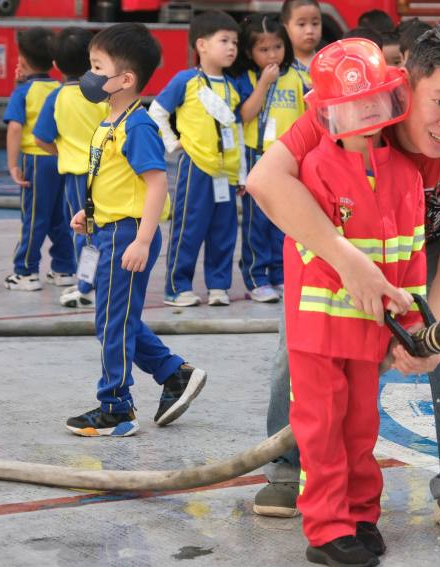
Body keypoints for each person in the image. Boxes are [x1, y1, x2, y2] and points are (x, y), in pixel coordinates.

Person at [249, 25, 440, 548]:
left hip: (429, 251)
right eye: (438, 101)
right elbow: (266, 180)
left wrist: (425, 339)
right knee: (303, 345)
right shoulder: (356, 98)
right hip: (344, 243)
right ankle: (290, 466)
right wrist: (349, 263)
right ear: (405, 84)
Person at [286, 38, 435, 567]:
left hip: (371, 335)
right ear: (328, 111)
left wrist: (413, 326)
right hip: (320, 331)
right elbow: (318, 251)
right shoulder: (315, 170)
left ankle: (360, 514)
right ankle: (326, 528)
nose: (367, 111)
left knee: (361, 427)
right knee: (322, 430)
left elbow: (412, 256)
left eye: (375, 98)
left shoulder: (406, 174)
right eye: (353, 102)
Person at [66, 23, 206, 437]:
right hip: (107, 231)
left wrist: (142, 240)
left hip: (127, 236)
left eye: (97, 66)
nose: (89, 75)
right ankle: (172, 372)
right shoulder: (108, 120)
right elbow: (114, 178)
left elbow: (156, 182)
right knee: (116, 319)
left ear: (125, 79)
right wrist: (89, 213)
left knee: (113, 322)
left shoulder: (138, 125)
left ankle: (116, 407)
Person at [150, 10, 243, 308]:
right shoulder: (186, 80)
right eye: (224, 41)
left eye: (235, 42)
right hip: (196, 168)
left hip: (225, 174)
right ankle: (177, 286)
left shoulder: (231, 87)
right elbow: (157, 111)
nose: (232, 48)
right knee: (189, 229)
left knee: (224, 232)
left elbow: (235, 130)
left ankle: (218, 286)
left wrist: (241, 173)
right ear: (201, 45)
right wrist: (172, 143)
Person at [34, 27, 108, 308]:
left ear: (55, 65)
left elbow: (41, 138)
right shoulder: (103, 93)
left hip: (78, 176)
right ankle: (104, 281)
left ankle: (86, 286)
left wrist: (63, 150)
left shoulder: (56, 97)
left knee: (84, 231)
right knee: (105, 229)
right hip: (107, 172)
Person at [236, 14, 305, 303]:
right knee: (255, 221)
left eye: (277, 46)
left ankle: (279, 274)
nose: (272, 54)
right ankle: (256, 277)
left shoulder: (297, 76)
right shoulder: (247, 78)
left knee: (284, 219)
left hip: (288, 157)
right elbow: (245, 115)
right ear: (250, 52)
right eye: (263, 49)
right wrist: (264, 84)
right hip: (256, 155)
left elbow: (306, 116)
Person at [3, 27, 76, 292]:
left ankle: (26, 271)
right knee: (59, 216)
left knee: (34, 217)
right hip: (59, 158)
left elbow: (14, 128)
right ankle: (64, 268)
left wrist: (12, 165)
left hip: (35, 160)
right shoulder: (59, 88)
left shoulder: (23, 93)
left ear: (21, 60)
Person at [282, 0, 323, 92]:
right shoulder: (281, 65)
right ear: (286, 28)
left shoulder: (327, 64)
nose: (309, 31)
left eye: (315, 23)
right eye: (302, 24)